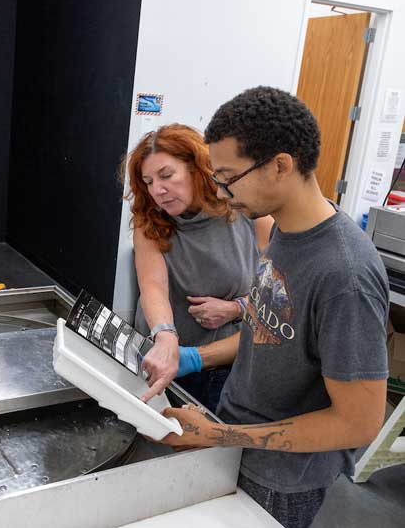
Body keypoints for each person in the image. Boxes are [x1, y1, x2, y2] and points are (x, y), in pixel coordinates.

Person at [153, 87, 389, 528]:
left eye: (228, 177)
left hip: (282, 480)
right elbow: (268, 332)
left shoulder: (345, 275)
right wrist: (194, 362)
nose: (220, 192)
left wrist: (220, 435)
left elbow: (358, 422)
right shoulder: (283, 231)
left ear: (280, 165)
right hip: (238, 443)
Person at [124, 124, 272, 412]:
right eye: (148, 181)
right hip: (162, 359)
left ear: (197, 168)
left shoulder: (246, 210)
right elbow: (153, 285)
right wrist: (165, 337)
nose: (158, 190)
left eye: (166, 176)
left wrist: (237, 308)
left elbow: (277, 290)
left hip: (223, 364)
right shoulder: (150, 221)